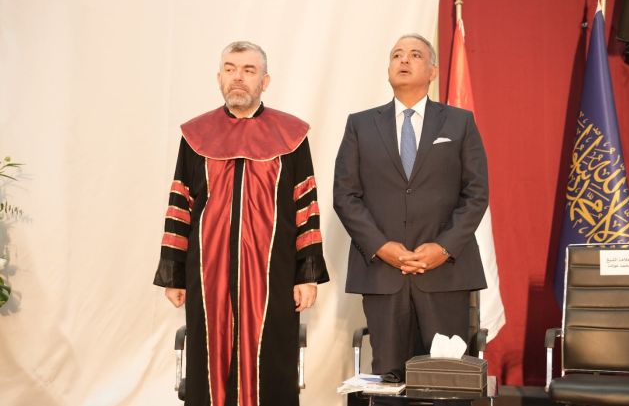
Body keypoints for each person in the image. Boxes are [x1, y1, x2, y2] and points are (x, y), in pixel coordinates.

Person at [153, 41, 329, 406]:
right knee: (209, 362)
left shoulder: (291, 136)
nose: (238, 77)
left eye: (249, 70)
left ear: (265, 81)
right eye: (231, 69)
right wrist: (174, 274)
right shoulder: (197, 136)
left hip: (274, 274)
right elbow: (180, 205)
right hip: (207, 273)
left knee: (271, 362)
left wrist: (307, 274)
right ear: (219, 78)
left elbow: (306, 207)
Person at [333, 33, 488, 376]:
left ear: (433, 71)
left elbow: (476, 193)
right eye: (396, 55)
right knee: (389, 378)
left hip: (445, 273)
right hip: (382, 273)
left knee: (444, 379)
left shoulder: (459, 122)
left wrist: (443, 248)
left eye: (415, 54)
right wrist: (381, 246)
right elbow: (345, 195)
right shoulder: (360, 124)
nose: (403, 60)